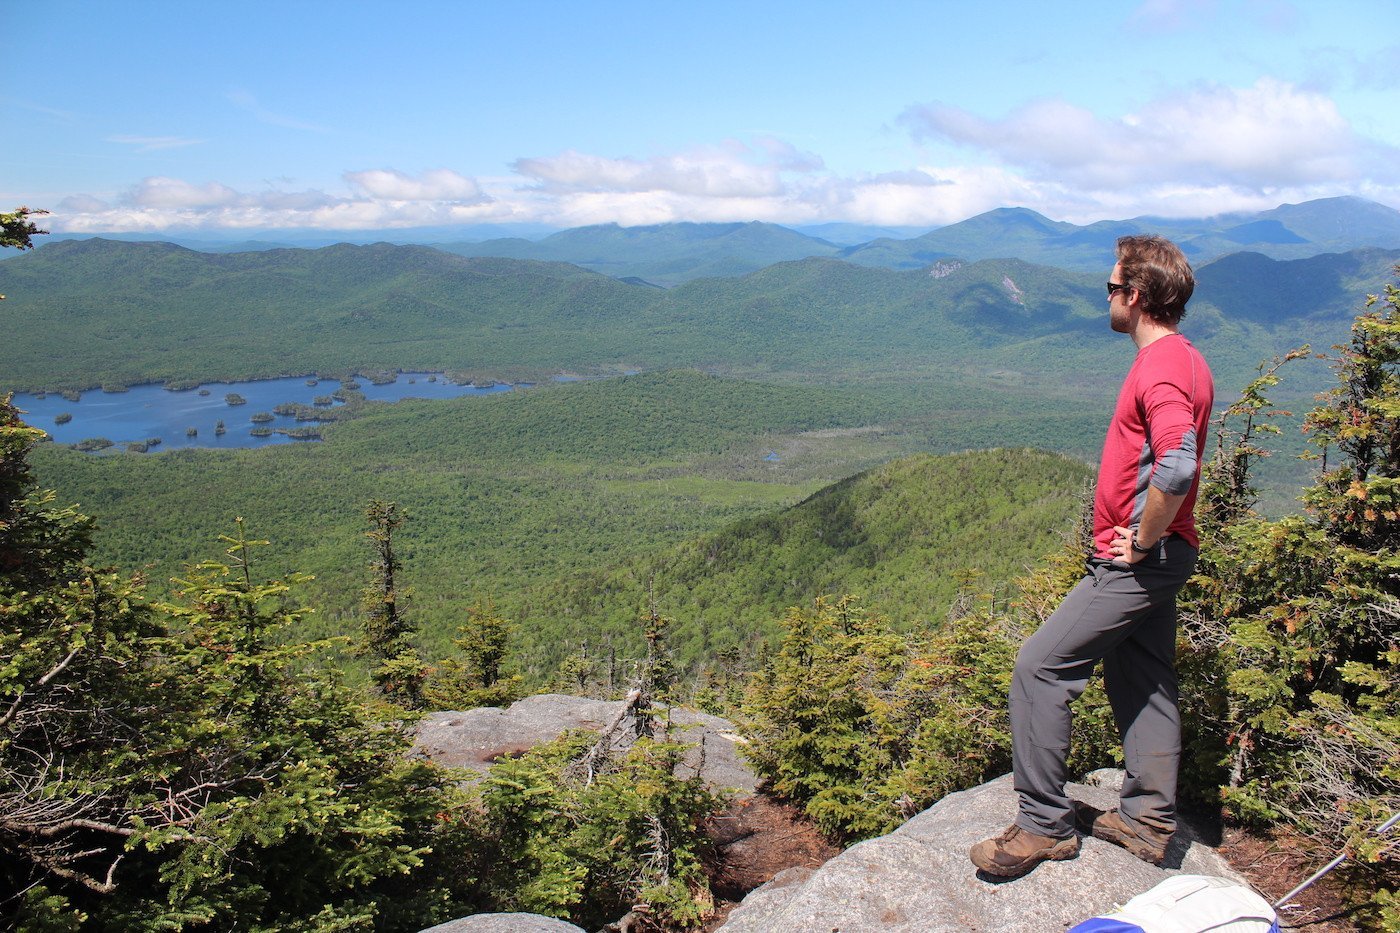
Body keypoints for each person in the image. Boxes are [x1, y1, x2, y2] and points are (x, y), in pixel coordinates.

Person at [969, 235, 1215, 878]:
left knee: (1040, 668)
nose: (1106, 297)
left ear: (1135, 296)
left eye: (1111, 288)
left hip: (1138, 562)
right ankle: (1147, 822)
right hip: (1164, 558)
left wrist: (1141, 539)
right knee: (1145, 677)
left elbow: (1178, 462)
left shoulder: (1160, 367)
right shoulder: (1186, 359)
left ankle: (1042, 826)